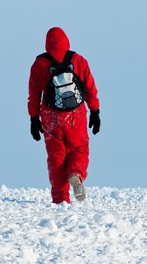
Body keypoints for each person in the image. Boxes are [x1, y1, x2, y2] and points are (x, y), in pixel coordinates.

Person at [28, 27, 100, 204]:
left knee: (56, 157)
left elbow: (34, 94)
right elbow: (90, 88)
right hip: (75, 115)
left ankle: (60, 200)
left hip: (51, 117)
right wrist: (95, 111)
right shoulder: (78, 60)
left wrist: (33, 118)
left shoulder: (39, 64)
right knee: (79, 148)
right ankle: (76, 174)